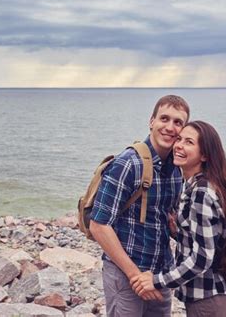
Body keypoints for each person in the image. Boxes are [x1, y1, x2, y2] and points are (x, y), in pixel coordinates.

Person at [89, 95, 190, 317]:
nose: (169, 127)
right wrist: (135, 276)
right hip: (126, 275)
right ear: (151, 121)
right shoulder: (128, 163)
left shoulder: (176, 169)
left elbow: (166, 219)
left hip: (159, 275)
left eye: (177, 122)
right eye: (164, 118)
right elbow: (98, 225)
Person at [130, 120, 226, 316]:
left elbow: (202, 259)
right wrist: (179, 231)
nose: (179, 145)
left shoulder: (201, 192)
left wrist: (156, 280)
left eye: (189, 142)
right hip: (209, 297)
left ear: (205, 154)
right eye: (179, 139)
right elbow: (209, 240)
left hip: (209, 298)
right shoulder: (197, 186)